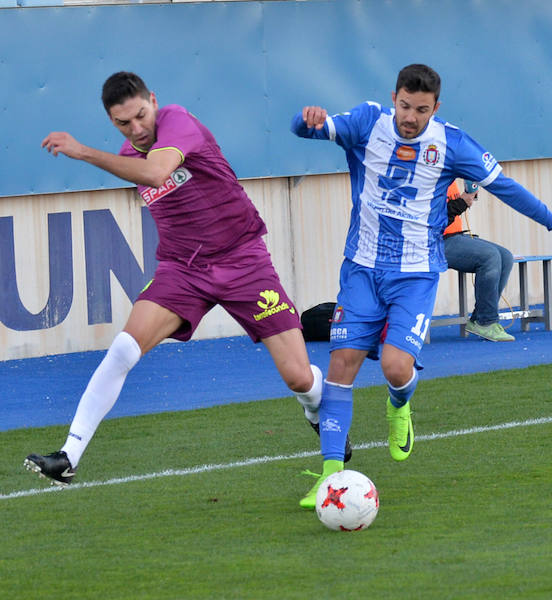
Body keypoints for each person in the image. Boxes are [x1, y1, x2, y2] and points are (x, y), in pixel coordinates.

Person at [291, 63, 552, 509]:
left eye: (420, 110)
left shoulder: (452, 143)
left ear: (435, 108)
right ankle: (330, 479)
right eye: (404, 105)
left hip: (415, 274)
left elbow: (507, 188)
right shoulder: (367, 122)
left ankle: (399, 405)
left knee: (397, 369)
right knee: (341, 365)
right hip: (361, 269)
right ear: (394, 97)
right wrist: (307, 122)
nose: (409, 117)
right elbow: (307, 131)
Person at [24, 71, 349, 486]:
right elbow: (156, 181)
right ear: (113, 123)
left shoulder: (177, 120)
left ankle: (314, 406)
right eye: (124, 124)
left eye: (141, 115)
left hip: (243, 260)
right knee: (124, 349)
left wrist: (83, 152)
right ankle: (68, 455)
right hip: (184, 268)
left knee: (299, 377)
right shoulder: (129, 153)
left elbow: (158, 173)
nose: (137, 129)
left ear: (154, 101)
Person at [444, 180, 515, 341]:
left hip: (454, 236)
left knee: (505, 256)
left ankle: (478, 319)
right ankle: (487, 321)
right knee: (489, 256)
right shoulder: (430, 176)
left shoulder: (450, 173)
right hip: (435, 241)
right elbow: (435, 220)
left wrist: (468, 195)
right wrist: (462, 202)